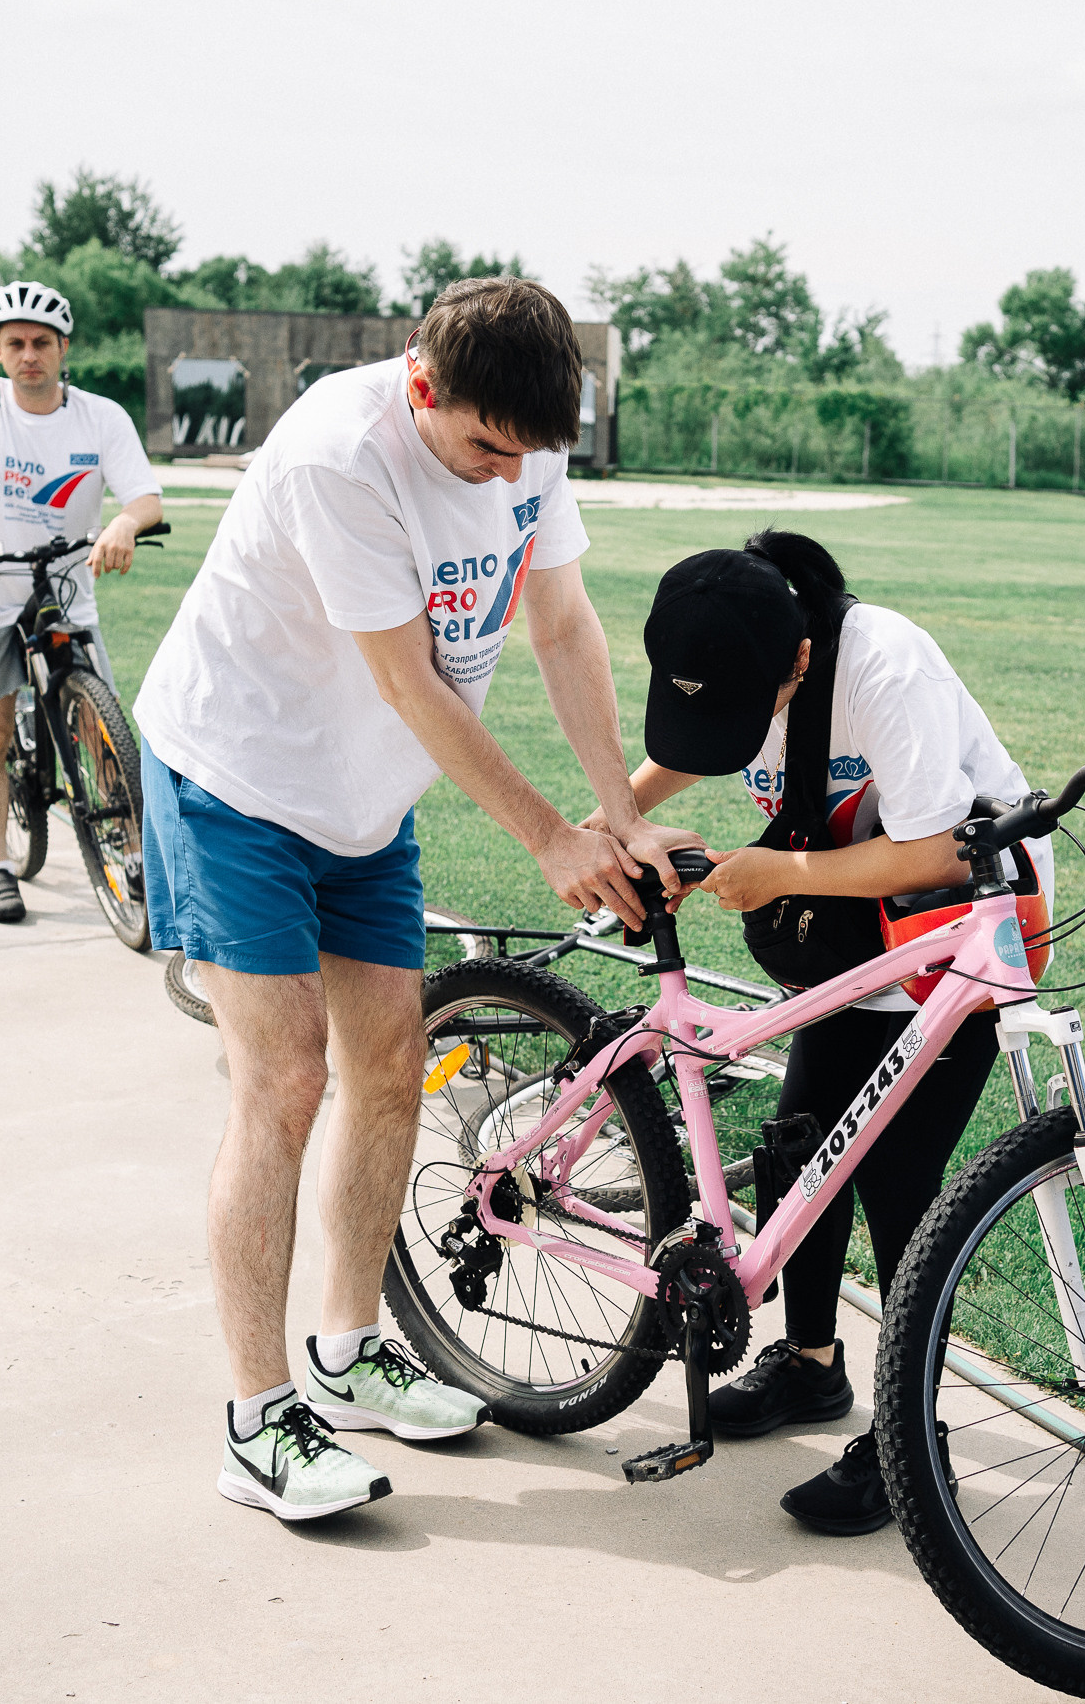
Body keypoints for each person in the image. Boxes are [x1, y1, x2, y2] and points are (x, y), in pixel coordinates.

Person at [133, 278, 702, 1522]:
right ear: (421, 381)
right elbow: (410, 684)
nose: (508, 481)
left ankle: (349, 1350)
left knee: (391, 1068)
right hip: (239, 774)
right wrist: (548, 835)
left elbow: (562, 625)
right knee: (284, 1082)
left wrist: (618, 809)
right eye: (487, 450)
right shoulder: (343, 456)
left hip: (363, 797)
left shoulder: (525, 447)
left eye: (530, 457)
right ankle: (256, 1418)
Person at [597, 529, 1052, 1536]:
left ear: (798, 659)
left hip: (958, 930)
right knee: (801, 1145)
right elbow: (679, 754)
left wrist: (783, 875)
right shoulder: (747, 660)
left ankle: (909, 1439)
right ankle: (809, 1370)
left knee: (895, 1185)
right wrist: (603, 824)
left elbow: (936, 849)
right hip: (855, 932)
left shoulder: (884, 665)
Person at [0, 281, 163, 924]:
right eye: (14, 343)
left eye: (42, 342)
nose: (29, 354)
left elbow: (146, 500)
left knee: (102, 735)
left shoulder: (99, 416)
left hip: (68, 583)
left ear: (64, 348)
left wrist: (124, 525)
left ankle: (130, 855)